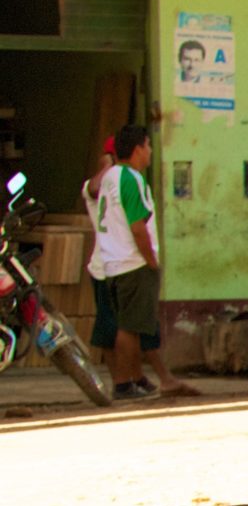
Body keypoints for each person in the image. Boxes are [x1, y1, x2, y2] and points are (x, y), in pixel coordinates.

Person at [87, 125, 197, 401]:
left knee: (131, 327)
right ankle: (124, 383)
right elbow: (138, 226)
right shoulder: (131, 179)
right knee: (130, 328)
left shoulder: (110, 177)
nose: (150, 151)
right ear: (137, 148)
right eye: (148, 146)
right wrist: (150, 260)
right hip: (132, 262)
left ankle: (134, 379)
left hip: (113, 262)